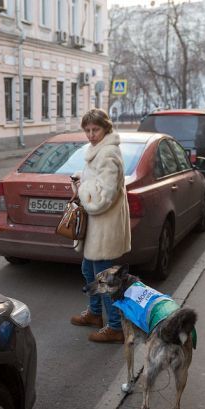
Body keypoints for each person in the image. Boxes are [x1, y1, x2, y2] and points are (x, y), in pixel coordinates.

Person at [69, 108, 132, 343]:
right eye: (87, 130)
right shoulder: (97, 150)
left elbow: (102, 198)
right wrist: (81, 178)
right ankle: (95, 314)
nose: (91, 134)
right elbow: (96, 181)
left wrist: (82, 188)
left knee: (105, 279)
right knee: (88, 271)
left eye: (95, 129)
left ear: (106, 128)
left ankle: (115, 326)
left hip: (105, 228)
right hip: (97, 229)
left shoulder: (108, 154)